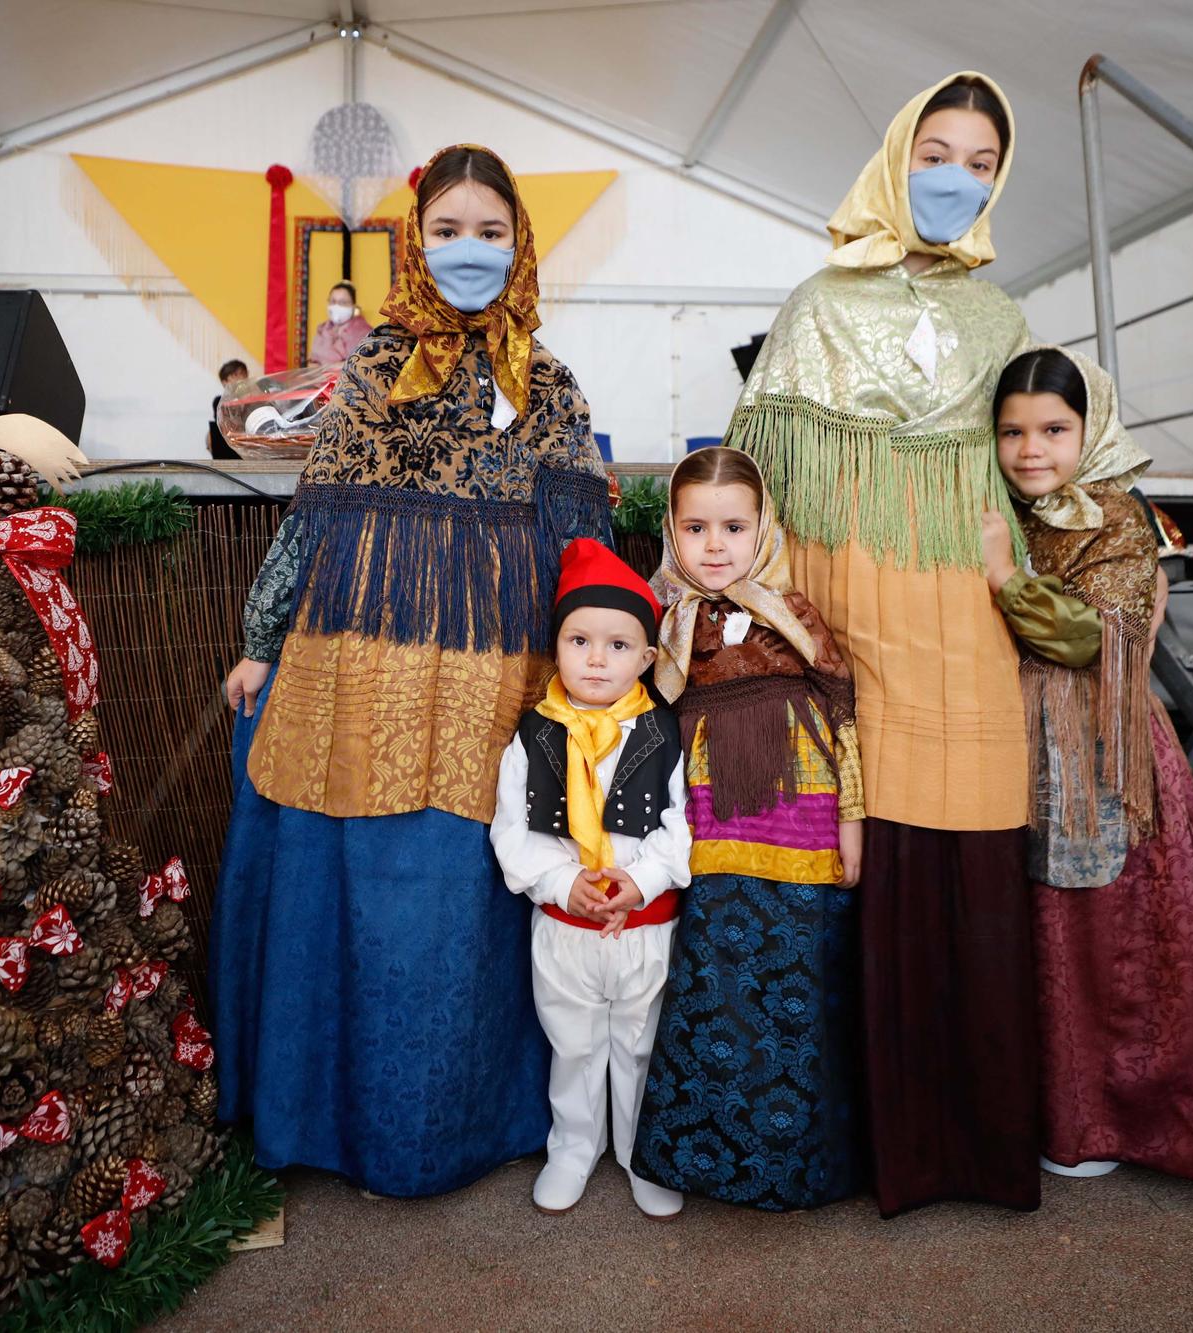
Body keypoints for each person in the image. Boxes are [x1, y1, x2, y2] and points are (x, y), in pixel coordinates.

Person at [209, 144, 612, 1197]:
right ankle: (332, 1121)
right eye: (446, 230)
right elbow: (311, 521)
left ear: (518, 243)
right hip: (363, 669)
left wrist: (591, 681)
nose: (467, 249)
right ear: (415, 241)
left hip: (496, 678)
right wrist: (261, 641)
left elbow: (582, 549)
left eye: (490, 230)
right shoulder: (369, 374)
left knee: (469, 897)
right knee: (366, 892)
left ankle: (482, 1121)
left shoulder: (553, 388)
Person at [726, 71, 1039, 1216]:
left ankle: (981, 1142)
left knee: (972, 845)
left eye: (979, 162)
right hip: (847, 597)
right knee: (863, 847)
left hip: (967, 610)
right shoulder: (817, 302)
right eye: (935, 153)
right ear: (893, 158)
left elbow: (1037, 457)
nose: (954, 178)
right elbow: (756, 468)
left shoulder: (1002, 317)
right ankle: (874, 1147)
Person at [985, 345, 1193, 1183]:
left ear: (1092, 428)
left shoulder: (1118, 515)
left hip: (1102, 746)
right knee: (1038, 931)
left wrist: (1006, 577)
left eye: (1053, 428)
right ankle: (1058, 1109)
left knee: (1113, 933)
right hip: (1015, 737)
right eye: (1011, 430)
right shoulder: (989, 504)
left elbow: (1098, 640)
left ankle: (1120, 1119)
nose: (1030, 449)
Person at [631, 447, 867, 1212]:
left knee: (800, 985)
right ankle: (705, 1159)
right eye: (695, 527)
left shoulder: (792, 611)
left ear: (764, 527)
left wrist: (852, 822)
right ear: (672, 529)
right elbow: (643, 719)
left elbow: (841, 710)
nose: (715, 545)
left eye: (734, 525)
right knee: (716, 987)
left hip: (803, 830)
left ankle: (803, 1165)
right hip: (713, 829)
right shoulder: (665, 622)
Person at [490, 537, 691, 1219]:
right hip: (566, 931)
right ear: (557, 649)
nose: (596, 657)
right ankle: (573, 1147)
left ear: (647, 657)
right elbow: (510, 831)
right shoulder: (533, 735)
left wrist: (643, 879)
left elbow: (681, 827)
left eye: (616, 644)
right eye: (579, 639)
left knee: (638, 1044)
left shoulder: (666, 734)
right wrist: (558, 882)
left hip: (643, 928)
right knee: (573, 1046)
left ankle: (642, 1154)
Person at [309, 280, 373, 367]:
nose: (336, 306)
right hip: (319, 379)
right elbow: (312, 362)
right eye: (332, 301)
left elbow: (360, 365)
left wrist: (329, 369)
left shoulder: (364, 332)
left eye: (343, 302)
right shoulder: (323, 329)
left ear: (353, 305)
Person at [208, 358, 248, 459]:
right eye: (235, 375)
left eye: (243, 374)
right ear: (224, 382)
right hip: (228, 452)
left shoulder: (254, 398)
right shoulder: (219, 402)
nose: (241, 378)